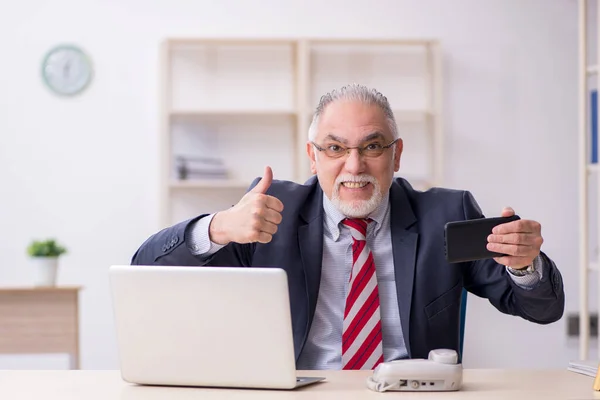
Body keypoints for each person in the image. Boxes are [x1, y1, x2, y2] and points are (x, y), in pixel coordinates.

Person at [131, 84, 564, 371]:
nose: (354, 166)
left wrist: (524, 265)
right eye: (335, 148)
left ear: (396, 156)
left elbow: (542, 309)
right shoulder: (272, 212)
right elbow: (144, 269)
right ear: (313, 156)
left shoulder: (445, 215)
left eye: (372, 146)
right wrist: (220, 227)